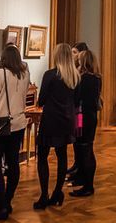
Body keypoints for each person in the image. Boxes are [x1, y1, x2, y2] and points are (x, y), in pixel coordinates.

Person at [0, 44, 30, 221]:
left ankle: (0, 206)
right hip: (19, 122)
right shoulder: (25, 72)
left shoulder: (1, 73)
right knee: (13, 163)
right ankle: (7, 201)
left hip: (0, 123)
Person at [35, 43, 79, 209]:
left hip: (51, 119)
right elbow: (76, 101)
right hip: (68, 119)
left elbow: (42, 99)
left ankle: (44, 194)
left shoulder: (50, 75)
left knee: (42, 156)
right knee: (62, 156)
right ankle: (57, 191)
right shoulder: (75, 76)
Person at [68, 49, 101, 197]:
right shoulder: (96, 77)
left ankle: (88, 186)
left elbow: (77, 98)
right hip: (90, 116)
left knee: (85, 148)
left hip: (83, 116)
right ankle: (84, 180)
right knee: (85, 148)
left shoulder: (85, 79)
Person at [64, 41, 92, 183]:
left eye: (75, 53)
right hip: (78, 113)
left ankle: (82, 172)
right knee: (77, 141)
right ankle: (78, 166)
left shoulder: (87, 76)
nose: (72, 56)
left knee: (83, 143)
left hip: (82, 113)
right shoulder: (76, 71)